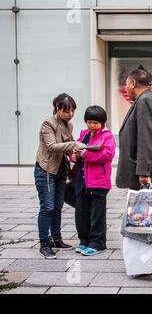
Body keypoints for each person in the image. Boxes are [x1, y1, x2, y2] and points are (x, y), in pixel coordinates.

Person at [35, 93, 86, 259]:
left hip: (61, 170)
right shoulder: (48, 124)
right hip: (46, 170)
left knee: (57, 206)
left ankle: (56, 239)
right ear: (58, 108)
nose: (70, 114)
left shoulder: (69, 125)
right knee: (47, 207)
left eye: (72, 111)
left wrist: (79, 150)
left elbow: (69, 146)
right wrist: (74, 144)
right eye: (67, 111)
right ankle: (44, 243)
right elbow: (51, 146)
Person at [71, 106, 116, 256]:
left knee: (97, 214)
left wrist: (84, 154)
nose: (92, 125)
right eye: (89, 122)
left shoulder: (107, 136)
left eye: (95, 123)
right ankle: (84, 241)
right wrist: (75, 156)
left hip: (98, 182)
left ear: (102, 123)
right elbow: (74, 151)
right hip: (81, 180)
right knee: (81, 212)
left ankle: (98, 243)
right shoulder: (83, 134)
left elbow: (106, 156)